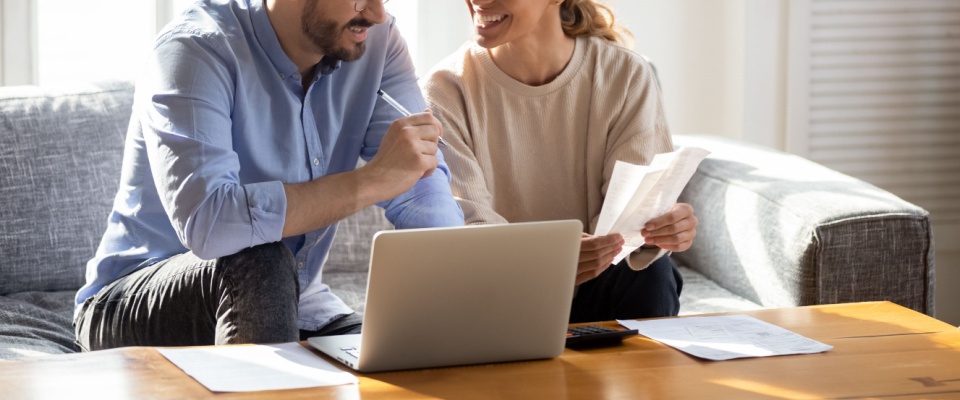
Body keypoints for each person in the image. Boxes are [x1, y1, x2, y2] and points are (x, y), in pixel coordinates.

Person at [74, 0, 463, 351]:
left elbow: (418, 180)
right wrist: (370, 181)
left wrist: (462, 281)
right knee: (260, 260)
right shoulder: (194, 50)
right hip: (131, 300)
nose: (377, 14)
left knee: (409, 356)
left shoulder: (376, 41)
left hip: (297, 301)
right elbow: (210, 225)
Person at [421, 0, 697, 322]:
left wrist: (661, 230)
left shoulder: (625, 74)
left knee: (653, 273)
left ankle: (643, 372)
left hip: (600, 290)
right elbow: (467, 227)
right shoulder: (445, 89)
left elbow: (629, 223)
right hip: (502, 297)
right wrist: (548, 259)